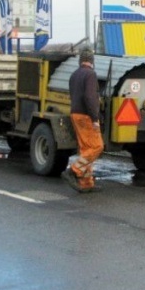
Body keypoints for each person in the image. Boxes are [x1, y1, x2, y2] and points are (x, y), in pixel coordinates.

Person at [62, 48, 103, 193]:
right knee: (97, 146)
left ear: (80, 61)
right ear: (92, 61)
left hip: (75, 114)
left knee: (86, 148)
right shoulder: (91, 74)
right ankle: (73, 171)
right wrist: (95, 118)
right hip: (86, 116)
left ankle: (86, 183)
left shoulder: (74, 75)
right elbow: (90, 97)